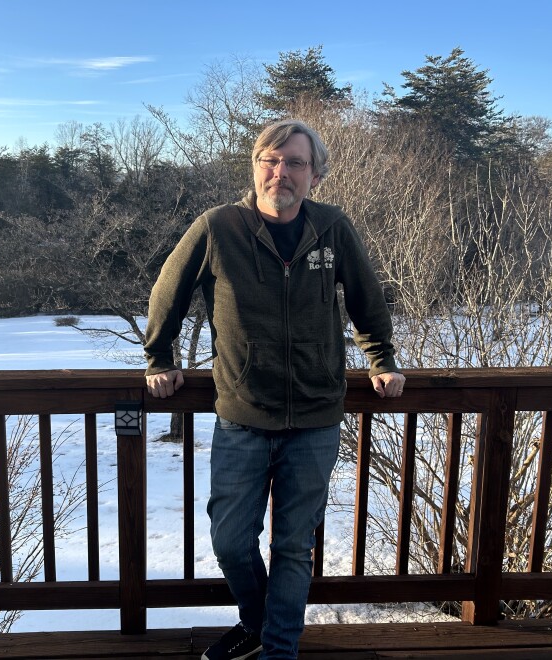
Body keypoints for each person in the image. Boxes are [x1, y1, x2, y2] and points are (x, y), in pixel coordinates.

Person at [144, 119, 405, 660]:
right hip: (243, 414)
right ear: (255, 165)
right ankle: (259, 623)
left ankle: (278, 650)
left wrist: (380, 359)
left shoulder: (332, 228)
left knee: (292, 546)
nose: (280, 171)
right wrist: (160, 358)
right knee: (231, 542)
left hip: (315, 417)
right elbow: (168, 293)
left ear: (314, 174)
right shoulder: (219, 227)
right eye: (270, 159)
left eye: (294, 162)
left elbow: (367, 301)